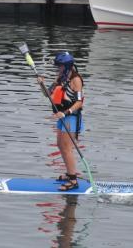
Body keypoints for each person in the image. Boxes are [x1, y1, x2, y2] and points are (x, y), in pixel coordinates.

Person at [38, 52, 84, 191]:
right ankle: (69, 174)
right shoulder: (61, 77)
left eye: (60, 66)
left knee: (67, 148)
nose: (58, 69)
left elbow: (79, 103)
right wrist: (42, 84)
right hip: (61, 116)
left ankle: (73, 181)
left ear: (67, 66)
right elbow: (47, 94)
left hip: (70, 117)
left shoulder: (76, 80)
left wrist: (65, 113)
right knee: (60, 145)